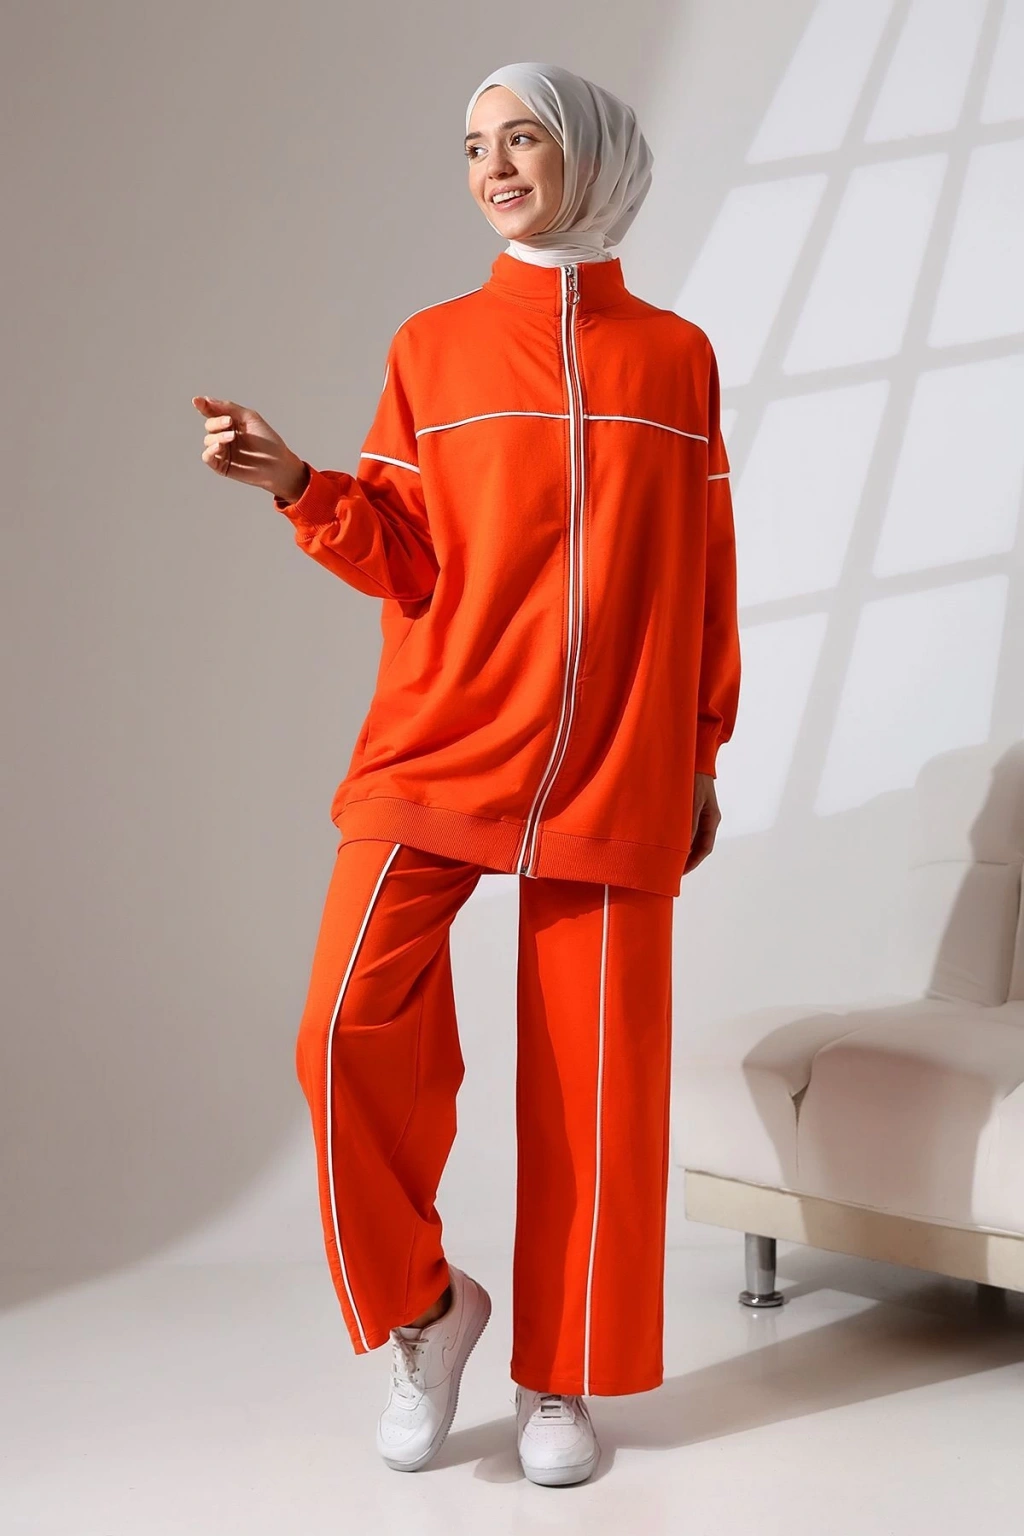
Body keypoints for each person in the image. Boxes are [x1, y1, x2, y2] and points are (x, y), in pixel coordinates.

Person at [192, 59, 740, 1488]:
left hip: (616, 758)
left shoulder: (675, 358)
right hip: (442, 738)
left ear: (590, 158)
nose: (493, 167)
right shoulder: (433, 347)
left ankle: (561, 1374)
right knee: (340, 1026)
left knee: (597, 1086)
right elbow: (405, 552)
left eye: (522, 140)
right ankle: (429, 1315)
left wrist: (697, 750)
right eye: (474, 146)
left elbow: (705, 572)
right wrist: (302, 485)